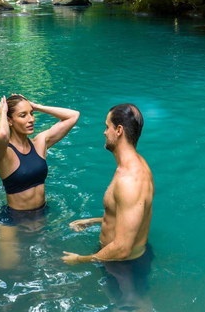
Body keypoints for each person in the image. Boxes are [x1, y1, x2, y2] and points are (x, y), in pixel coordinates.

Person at [62, 104, 154, 308]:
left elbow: (122, 248)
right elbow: (127, 215)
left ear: (119, 131)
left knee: (130, 304)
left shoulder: (130, 180)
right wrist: (95, 221)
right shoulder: (136, 165)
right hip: (128, 260)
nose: (104, 132)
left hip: (124, 265)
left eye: (107, 127)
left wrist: (82, 260)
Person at [0, 94, 79, 267]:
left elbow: (73, 115)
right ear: (10, 121)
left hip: (41, 214)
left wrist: (36, 105)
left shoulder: (40, 143)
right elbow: (1, 135)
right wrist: (2, 112)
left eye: (31, 114)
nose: (31, 119)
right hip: (13, 219)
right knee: (8, 266)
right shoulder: (2, 153)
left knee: (51, 262)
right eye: (23, 116)